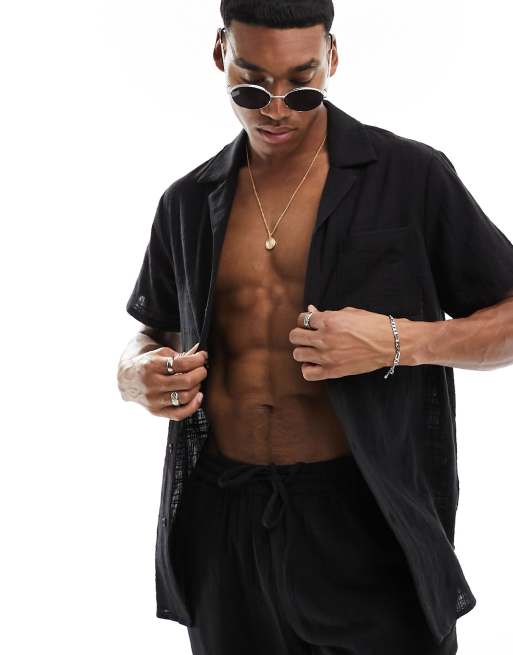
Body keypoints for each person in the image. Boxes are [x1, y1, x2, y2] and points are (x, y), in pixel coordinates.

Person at [117, 1, 513, 653]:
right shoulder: (186, 201)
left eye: (301, 85)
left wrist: (398, 341)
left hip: (363, 518)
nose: (276, 108)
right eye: (251, 87)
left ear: (331, 56)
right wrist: (134, 374)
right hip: (224, 522)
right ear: (220, 54)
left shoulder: (410, 177)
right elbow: (151, 330)